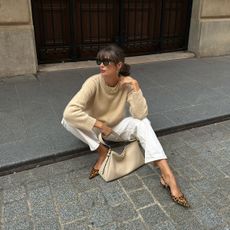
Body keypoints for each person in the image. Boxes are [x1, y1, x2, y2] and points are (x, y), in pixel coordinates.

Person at [61, 44, 190, 208]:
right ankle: (102, 151)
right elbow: (69, 111)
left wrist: (136, 89)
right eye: (99, 61)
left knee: (144, 123)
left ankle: (168, 174)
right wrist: (99, 124)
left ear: (119, 65)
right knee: (67, 120)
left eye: (106, 61)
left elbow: (140, 114)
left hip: (116, 128)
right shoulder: (93, 82)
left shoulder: (127, 85)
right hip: (96, 130)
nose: (101, 65)